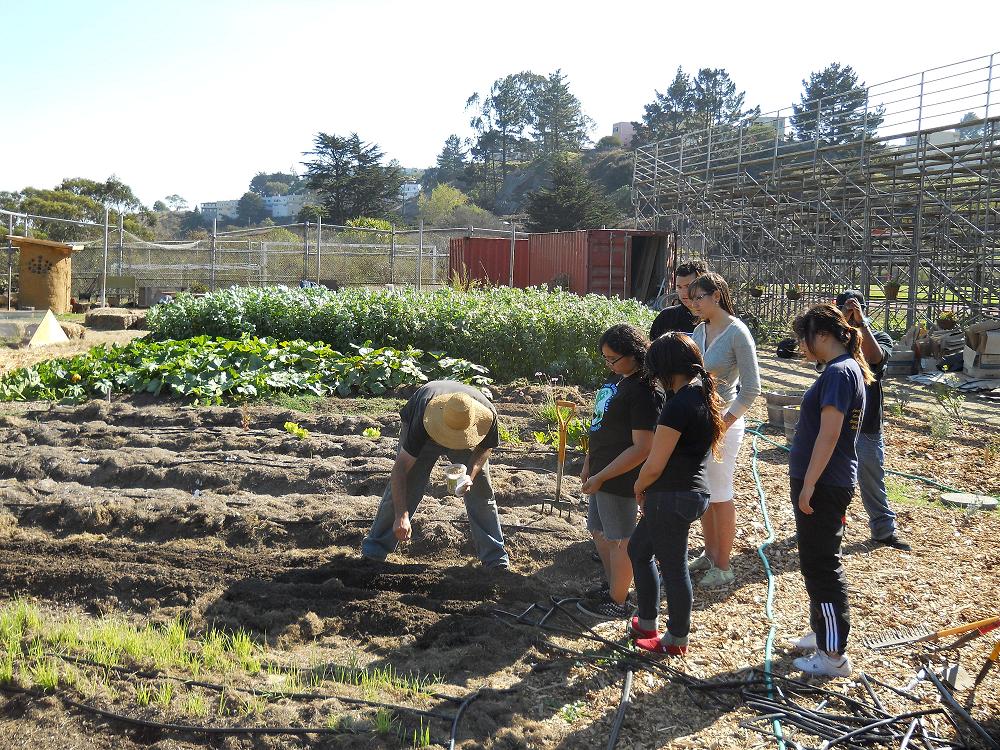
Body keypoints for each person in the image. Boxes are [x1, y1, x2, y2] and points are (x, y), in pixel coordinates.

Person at [788, 304, 874, 677]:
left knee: (822, 563)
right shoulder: (844, 369)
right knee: (814, 558)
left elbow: (830, 433)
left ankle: (833, 654)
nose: (800, 346)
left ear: (822, 335)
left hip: (825, 482)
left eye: (803, 338)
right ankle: (822, 631)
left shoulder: (840, 373)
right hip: (825, 480)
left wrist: (809, 483)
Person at [628, 333, 725, 656]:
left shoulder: (678, 406)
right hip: (690, 493)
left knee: (673, 566)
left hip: (671, 496)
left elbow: (656, 462)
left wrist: (639, 485)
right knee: (639, 550)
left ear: (665, 369)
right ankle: (647, 620)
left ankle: (676, 639)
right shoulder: (698, 396)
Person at [361, 381, 509, 569]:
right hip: (426, 432)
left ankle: (496, 560)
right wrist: (401, 515)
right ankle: (374, 551)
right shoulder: (423, 416)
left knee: (481, 493)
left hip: (465, 438)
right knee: (408, 485)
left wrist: (470, 476)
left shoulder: (487, 415)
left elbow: (485, 447)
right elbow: (400, 469)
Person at [577, 324, 659, 620]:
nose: (608, 363)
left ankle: (619, 601)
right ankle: (614, 586)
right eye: (605, 358)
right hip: (601, 470)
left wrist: (603, 475)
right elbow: (599, 426)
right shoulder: (617, 378)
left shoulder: (644, 391)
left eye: (613, 358)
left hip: (619, 477)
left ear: (634, 354)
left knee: (620, 540)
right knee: (599, 533)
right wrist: (589, 464)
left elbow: (642, 447)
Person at [686, 272, 761, 588]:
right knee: (705, 490)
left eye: (698, 297)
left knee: (720, 490)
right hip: (701, 421)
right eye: (691, 299)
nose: (694, 305)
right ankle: (710, 552)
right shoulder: (700, 330)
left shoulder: (737, 333)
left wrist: (724, 423)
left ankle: (724, 565)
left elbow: (751, 389)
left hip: (725, 423)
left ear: (716, 295)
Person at [835, 290, 910, 551]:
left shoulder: (878, 337)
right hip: (835, 421)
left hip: (866, 423)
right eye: (846, 309)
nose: (852, 314)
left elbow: (876, 358)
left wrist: (861, 324)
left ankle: (883, 530)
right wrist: (840, 324)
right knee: (831, 480)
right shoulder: (834, 339)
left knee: (871, 478)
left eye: (856, 309)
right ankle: (829, 527)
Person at [649, 260, 709, 340]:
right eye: (679, 287)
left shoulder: (715, 319)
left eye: (688, 286)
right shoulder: (666, 318)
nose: (683, 293)